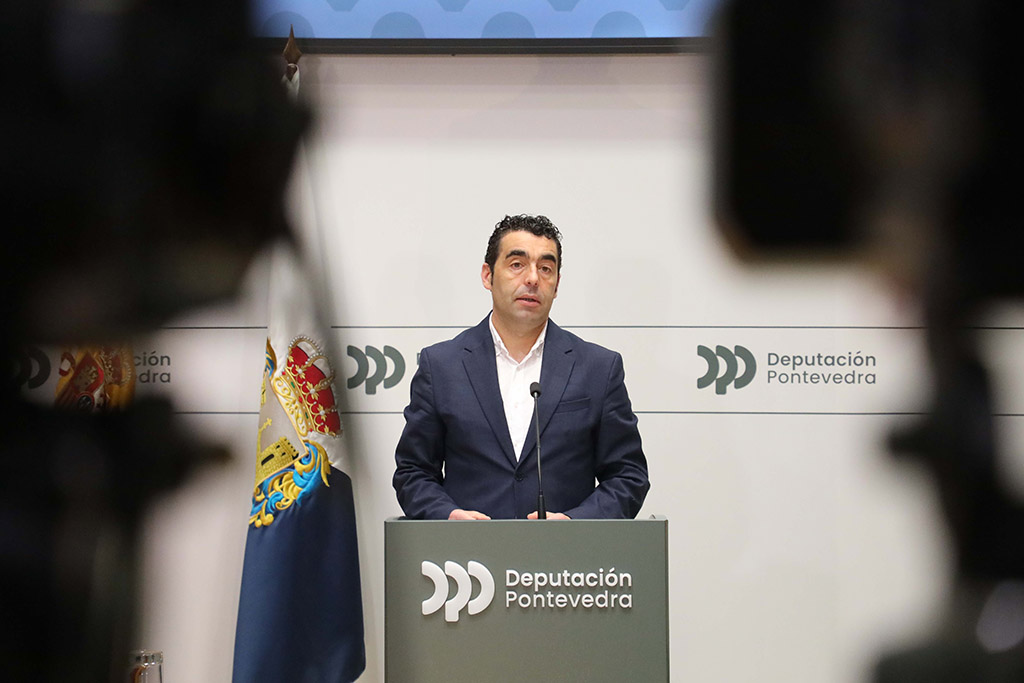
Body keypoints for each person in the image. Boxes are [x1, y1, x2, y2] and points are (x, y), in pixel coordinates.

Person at [393, 214, 649, 520]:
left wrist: (575, 523)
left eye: (546, 268)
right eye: (517, 264)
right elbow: (413, 472)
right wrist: (447, 516)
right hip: (468, 548)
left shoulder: (598, 368)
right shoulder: (442, 366)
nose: (532, 279)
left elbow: (627, 476)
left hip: (567, 550)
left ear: (557, 284)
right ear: (488, 276)